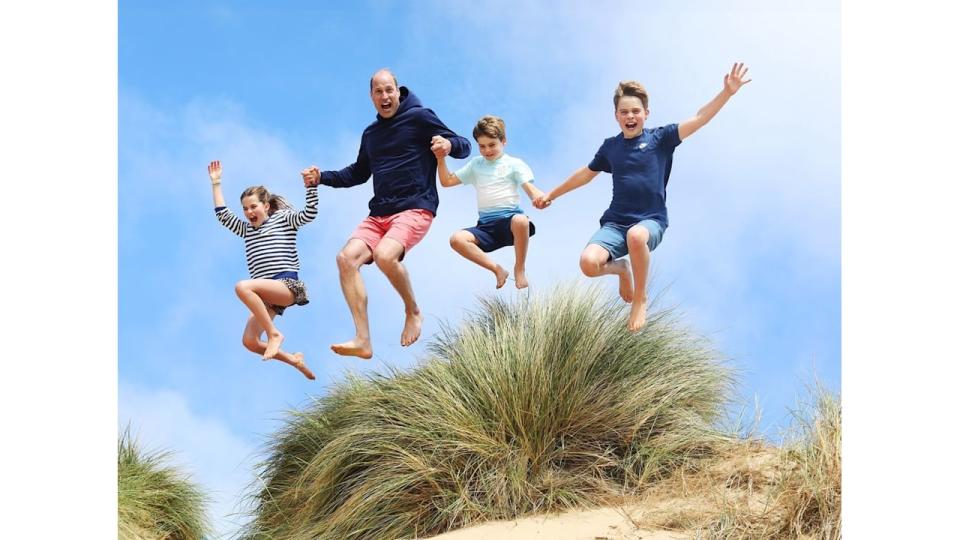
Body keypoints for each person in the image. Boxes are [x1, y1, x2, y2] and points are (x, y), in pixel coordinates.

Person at [534, 63, 752, 331]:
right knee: (588, 264)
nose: (630, 116)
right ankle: (622, 269)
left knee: (636, 236)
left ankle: (640, 299)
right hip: (615, 223)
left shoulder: (661, 138)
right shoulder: (611, 147)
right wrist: (551, 194)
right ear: (616, 116)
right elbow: (586, 174)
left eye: (635, 111)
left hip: (651, 220)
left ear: (646, 114)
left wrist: (726, 93)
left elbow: (700, 118)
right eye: (624, 112)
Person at [302, 69, 471, 359]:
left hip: (415, 206)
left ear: (398, 90)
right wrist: (322, 178)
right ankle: (363, 340)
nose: (385, 96)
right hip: (379, 213)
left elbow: (464, 146)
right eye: (378, 92)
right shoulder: (371, 134)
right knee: (345, 259)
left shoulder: (419, 117)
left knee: (384, 255)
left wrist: (448, 144)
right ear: (371, 97)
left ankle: (412, 311)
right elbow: (357, 173)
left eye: (389, 90)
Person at [208, 159, 317, 380]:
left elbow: (309, 214)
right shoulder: (246, 230)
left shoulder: (283, 220)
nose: (249, 212)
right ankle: (294, 360)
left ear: (266, 206)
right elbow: (222, 214)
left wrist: (312, 187)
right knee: (249, 341)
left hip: (287, 286)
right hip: (268, 296)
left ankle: (273, 334)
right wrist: (216, 183)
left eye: (253, 206)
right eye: (245, 209)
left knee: (242, 287)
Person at [434, 115, 545, 289]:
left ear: (503, 141)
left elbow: (530, 188)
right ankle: (497, 270)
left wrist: (537, 197)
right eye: (482, 146)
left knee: (521, 220)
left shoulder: (514, 164)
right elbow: (446, 181)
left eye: (492, 145)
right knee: (457, 239)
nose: (487, 150)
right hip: (486, 228)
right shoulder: (476, 165)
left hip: (510, 223)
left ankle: (519, 268)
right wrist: (441, 158)